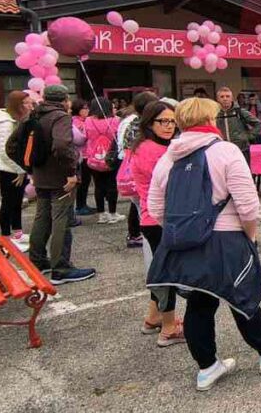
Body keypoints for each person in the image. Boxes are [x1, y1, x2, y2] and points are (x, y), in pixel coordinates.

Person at [145, 97, 261, 391]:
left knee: (200, 301)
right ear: (210, 119)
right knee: (243, 296)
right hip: (226, 238)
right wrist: (249, 236)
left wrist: (185, 229)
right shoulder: (225, 150)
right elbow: (248, 205)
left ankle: (207, 367)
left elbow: (154, 207)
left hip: (185, 243)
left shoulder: (168, 157)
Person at [17, 85, 96, 285]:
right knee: (61, 220)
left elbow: (12, 145)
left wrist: (30, 167)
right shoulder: (60, 117)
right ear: (64, 100)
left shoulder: (33, 115)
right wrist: (70, 172)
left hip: (40, 176)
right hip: (60, 177)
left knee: (42, 217)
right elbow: (62, 145)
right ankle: (61, 268)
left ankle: (37, 260)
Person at [130, 100, 185, 347]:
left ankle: (153, 318)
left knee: (161, 268)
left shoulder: (144, 146)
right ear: (150, 123)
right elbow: (171, 186)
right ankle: (169, 328)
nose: (169, 126)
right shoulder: (154, 150)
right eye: (163, 121)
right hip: (159, 219)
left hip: (152, 217)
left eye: (172, 121)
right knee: (167, 273)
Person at [0, 91, 34, 250]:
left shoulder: (17, 121)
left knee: (17, 200)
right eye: (26, 103)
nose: (30, 106)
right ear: (17, 105)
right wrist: (19, 170)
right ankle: (5, 237)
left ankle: (17, 232)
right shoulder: (4, 123)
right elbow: (4, 151)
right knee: (8, 201)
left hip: (17, 167)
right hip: (6, 168)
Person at [119, 92, 159, 248]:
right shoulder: (148, 126)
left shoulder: (131, 124)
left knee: (142, 214)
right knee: (151, 221)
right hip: (147, 178)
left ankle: (139, 239)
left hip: (133, 176)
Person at [84, 97, 123, 224]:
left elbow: (85, 136)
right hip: (111, 157)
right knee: (112, 185)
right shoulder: (116, 120)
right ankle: (113, 213)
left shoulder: (88, 121)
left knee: (98, 186)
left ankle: (101, 214)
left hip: (93, 158)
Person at [216, 87, 260, 162]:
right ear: (218, 99)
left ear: (232, 98)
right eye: (222, 97)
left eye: (227, 96)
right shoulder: (214, 114)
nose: (225, 99)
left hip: (241, 150)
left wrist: (248, 136)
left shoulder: (240, 112)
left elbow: (258, 124)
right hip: (222, 151)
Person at [71, 99, 95, 216]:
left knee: (86, 181)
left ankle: (83, 204)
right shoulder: (75, 122)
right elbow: (80, 138)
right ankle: (80, 206)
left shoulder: (86, 120)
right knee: (82, 182)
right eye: (84, 108)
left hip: (88, 154)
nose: (87, 110)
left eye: (87, 108)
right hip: (81, 155)